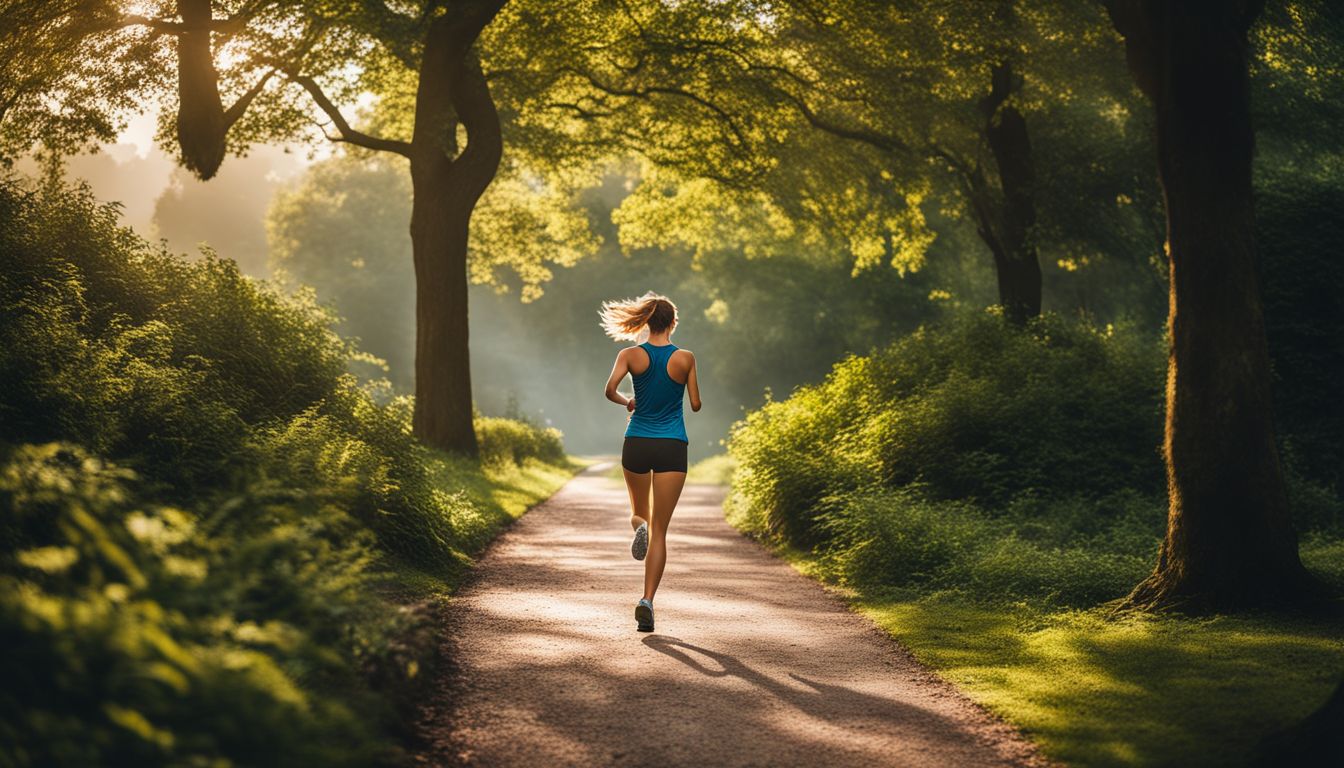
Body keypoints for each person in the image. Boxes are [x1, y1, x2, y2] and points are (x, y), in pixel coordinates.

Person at [600, 291, 701, 632]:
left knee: (639, 512)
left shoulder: (629, 354)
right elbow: (696, 404)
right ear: (673, 322)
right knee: (661, 531)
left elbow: (609, 390)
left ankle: (637, 528)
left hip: (638, 441)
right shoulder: (685, 357)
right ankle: (647, 601)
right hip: (673, 445)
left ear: (645, 322)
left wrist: (629, 400)